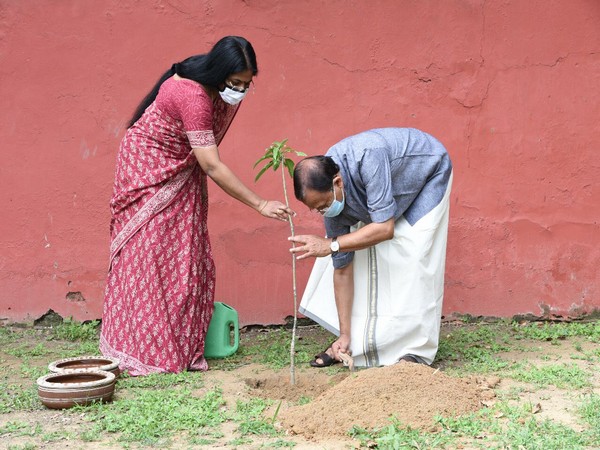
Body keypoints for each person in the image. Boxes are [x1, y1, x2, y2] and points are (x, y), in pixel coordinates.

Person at [100, 36, 293, 376]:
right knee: (148, 254)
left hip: (182, 166)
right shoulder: (195, 97)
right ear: (218, 74)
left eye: (247, 84)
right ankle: (142, 347)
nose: (241, 91)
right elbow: (212, 165)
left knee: (183, 254)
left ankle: (176, 341)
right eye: (236, 83)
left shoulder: (208, 83)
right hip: (149, 167)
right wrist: (260, 203)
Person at [289, 127, 452, 368]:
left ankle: (415, 350)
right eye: (316, 209)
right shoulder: (330, 199)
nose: (323, 212)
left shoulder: (368, 157)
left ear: (338, 182)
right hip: (388, 189)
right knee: (358, 257)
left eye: (323, 205)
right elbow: (342, 268)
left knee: (412, 254)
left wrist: (331, 244)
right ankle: (353, 341)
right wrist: (345, 334)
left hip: (429, 175)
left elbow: (384, 228)